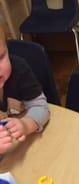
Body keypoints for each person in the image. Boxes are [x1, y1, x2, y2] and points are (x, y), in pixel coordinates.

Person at [0, 27, 50, 156]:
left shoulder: (19, 69)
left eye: (0, 57)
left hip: (24, 150)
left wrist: (26, 125)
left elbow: (40, 107)